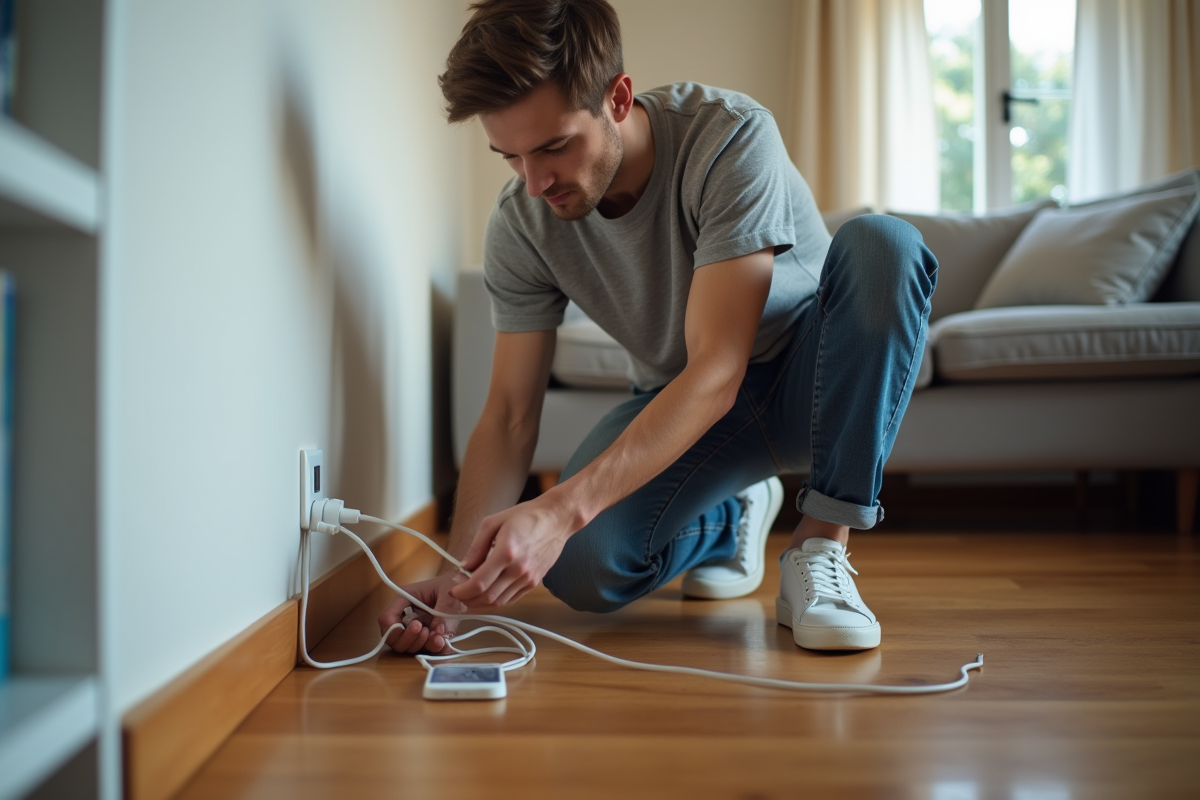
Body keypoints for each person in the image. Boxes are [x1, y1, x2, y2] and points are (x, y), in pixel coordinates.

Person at [379, 0, 936, 656]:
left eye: (555, 146)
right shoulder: (521, 225)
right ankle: (731, 519)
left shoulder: (727, 137)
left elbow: (718, 369)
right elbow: (506, 416)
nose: (535, 183)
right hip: (685, 414)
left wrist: (558, 509)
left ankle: (820, 546)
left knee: (886, 245)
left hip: (813, 384)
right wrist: (459, 576)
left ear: (618, 97)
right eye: (510, 156)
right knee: (581, 565)